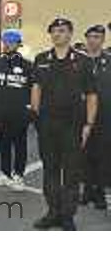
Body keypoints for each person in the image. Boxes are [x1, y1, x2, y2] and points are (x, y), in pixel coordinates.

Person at [31, 17, 98, 231]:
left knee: (71, 173)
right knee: (50, 170)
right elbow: (36, 88)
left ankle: (67, 216)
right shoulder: (41, 59)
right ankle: (53, 212)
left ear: (70, 34)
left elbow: (91, 95)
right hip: (47, 125)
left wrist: (88, 124)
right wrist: (36, 115)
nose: (58, 34)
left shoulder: (83, 61)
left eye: (62, 30)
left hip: (73, 126)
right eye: (54, 31)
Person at [0, 29, 32, 190]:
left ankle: (19, 176)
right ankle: (4, 173)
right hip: (2, 112)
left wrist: (30, 111)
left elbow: (33, 89)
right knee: (4, 144)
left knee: (20, 145)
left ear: (18, 44)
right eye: (5, 42)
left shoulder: (27, 65)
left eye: (11, 42)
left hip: (20, 113)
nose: (7, 45)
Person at [81, 24, 108, 209]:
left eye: (97, 36)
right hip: (81, 116)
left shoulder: (109, 61)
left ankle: (99, 193)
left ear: (103, 39)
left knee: (103, 155)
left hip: (106, 117)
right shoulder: (77, 61)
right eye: (90, 36)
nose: (93, 40)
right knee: (84, 155)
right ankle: (87, 190)